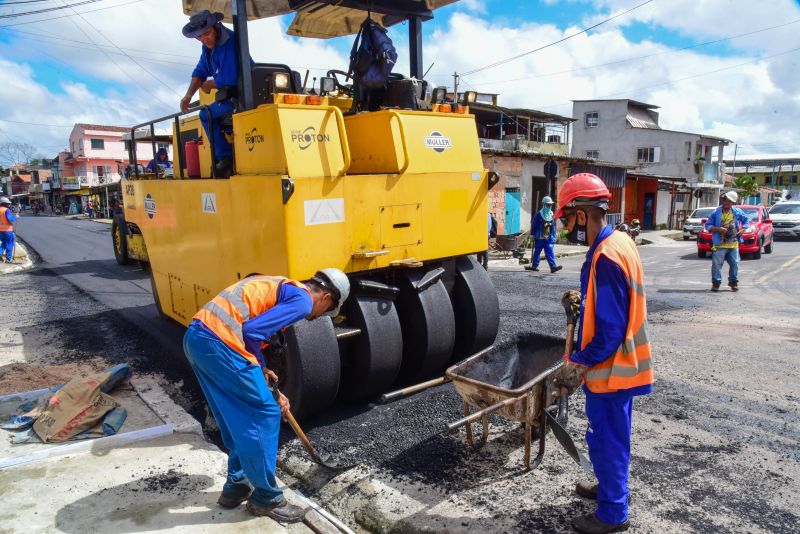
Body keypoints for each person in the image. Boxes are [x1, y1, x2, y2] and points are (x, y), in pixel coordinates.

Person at [182, 269, 350, 522]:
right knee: (265, 413)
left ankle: (236, 486)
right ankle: (266, 498)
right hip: (221, 343)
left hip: (197, 339)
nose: (316, 317)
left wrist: (260, 369)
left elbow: (250, 329)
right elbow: (251, 332)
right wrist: (259, 369)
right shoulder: (304, 300)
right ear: (326, 297)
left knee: (234, 415)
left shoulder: (281, 284)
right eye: (325, 311)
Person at [554, 173, 653, 534]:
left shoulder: (606, 258)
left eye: (566, 219)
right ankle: (611, 489)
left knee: (607, 439)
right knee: (613, 436)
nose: (565, 228)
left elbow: (609, 331)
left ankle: (613, 513)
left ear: (581, 216)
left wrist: (577, 364)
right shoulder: (620, 242)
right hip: (623, 366)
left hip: (613, 371)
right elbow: (610, 307)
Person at [181, 10, 248, 177]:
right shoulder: (208, 48)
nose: (204, 39)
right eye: (200, 37)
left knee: (206, 114)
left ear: (216, 27)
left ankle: (225, 159)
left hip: (243, 95)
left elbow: (230, 77)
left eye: (207, 34)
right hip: (232, 95)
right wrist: (189, 95)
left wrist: (209, 84)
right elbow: (200, 70)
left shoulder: (229, 41)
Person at [704, 191, 751, 292]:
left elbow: (746, 220)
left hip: (733, 244)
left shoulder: (737, 212)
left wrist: (743, 229)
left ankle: (733, 283)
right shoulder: (716, 212)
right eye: (725, 200)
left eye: (729, 201)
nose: (726, 202)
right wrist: (717, 229)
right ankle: (716, 283)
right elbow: (707, 225)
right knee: (716, 265)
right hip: (719, 244)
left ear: (732, 203)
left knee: (735, 264)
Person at [525, 196, 562, 273]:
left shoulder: (551, 214)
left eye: (550, 205)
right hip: (540, 237)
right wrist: (532, 234)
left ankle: (553, 267)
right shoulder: (539, 214)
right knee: (537, 252)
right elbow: (534, 225)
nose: (550, 206)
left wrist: (554, 235)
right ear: (544, 205)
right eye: (548, 205)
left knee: (550, 251)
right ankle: (534, 266)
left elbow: (553, 226)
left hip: (548, 237)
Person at [0, 197, 18, 263]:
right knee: (9, 244)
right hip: (7, 230)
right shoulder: (6, 210)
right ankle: (8, 259)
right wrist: (16, 217)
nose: (9, 205)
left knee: (4, 243)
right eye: (8, 204)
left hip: (0, 231)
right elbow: (10, 219)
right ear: (4, 204)